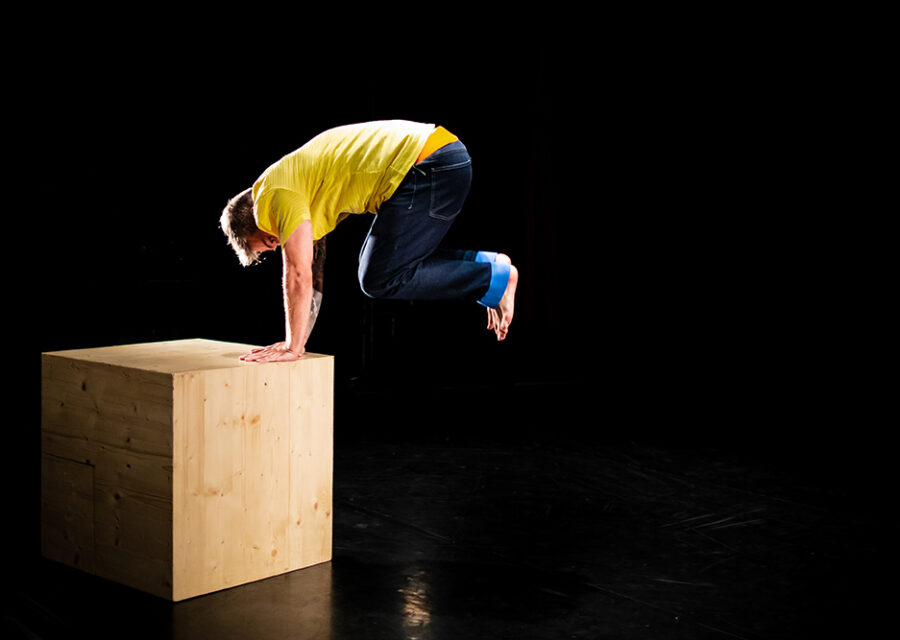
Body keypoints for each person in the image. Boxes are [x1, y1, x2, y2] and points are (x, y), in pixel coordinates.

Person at [219, 120, 518, 363]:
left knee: (379, 277)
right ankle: (490, 267)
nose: (279, 244)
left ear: (255, 215)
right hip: (442, 159)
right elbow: (313, 274)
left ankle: (492, 277)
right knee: (380, 270)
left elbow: (297, 273)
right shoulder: (297, 188)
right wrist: (297, 343)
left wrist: (291, 347)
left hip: (429, 165)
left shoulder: (274, 195)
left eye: (269, 241)